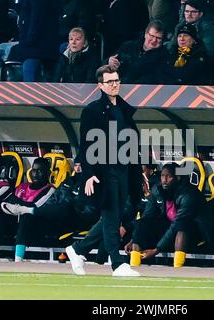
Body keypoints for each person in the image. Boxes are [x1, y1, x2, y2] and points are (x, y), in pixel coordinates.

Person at [65, 64, 142, 277]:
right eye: (110, 81)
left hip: (124, 169)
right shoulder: (92, 110)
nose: (115, 84)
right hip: (103, 170)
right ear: (101, 85)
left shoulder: (125, 110)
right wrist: (88, 174)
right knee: (110, 215)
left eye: (117, 80)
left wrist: (139, 171)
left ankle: (77, 249)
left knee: (114, 215)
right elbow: (87, 145)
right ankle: (117, 263)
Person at [125, 163, 211, 268]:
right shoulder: (158, 190)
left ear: (177, 178)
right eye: (162, 176)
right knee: (142, 223)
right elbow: (147, 215)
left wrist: (156, 250)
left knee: (182, 226)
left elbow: (177, 222)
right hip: (170, 228)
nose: (164, 180)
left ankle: (177, 266)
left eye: (169, 176)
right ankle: (134, 265)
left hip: (195, 233)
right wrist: (133, 239)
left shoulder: (189, 194)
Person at [0, 157, 56, 262]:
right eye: (34, 170)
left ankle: (18, 259)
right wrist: (9, 206)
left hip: (36, 225)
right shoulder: (23, 186)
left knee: (27, 216)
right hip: (16, 221)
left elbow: (35, 206)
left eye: (40, 171)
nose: (35, 174)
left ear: (48, 173)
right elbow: (8, 201)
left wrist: (17, 205)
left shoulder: (50, 189)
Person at [107, 20, 168, 84]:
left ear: (163, 40)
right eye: (152, 36)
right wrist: (110, 62)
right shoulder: (128, 46)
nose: (154, 40)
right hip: (117, 86)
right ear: (145, 34)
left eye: (158, 38)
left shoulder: (164, 56)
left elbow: (155, 78)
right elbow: (106, 64)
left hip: (144, 90)